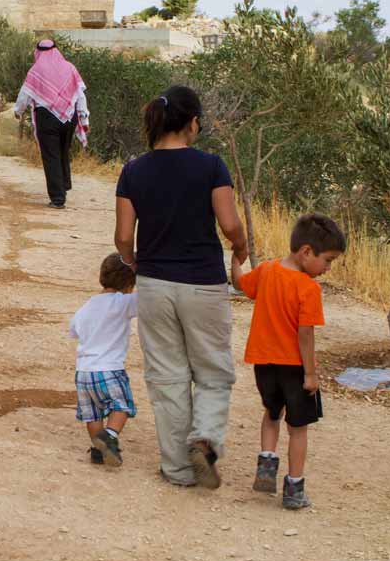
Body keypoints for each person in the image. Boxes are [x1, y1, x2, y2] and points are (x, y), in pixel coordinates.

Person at [114, 85, 248, 489]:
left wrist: (134, 262)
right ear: (193, 123)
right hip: (203, 283)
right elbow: (228, 225)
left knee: (167, 376)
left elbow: (123, 235)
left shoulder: (133, 170)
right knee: (212, 370)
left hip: (154, 284)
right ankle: (204, 437)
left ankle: (176, 469)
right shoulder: (211, 167)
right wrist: (239, 249)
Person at [230, 213, 345, 510]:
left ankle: (266, 466)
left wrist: (236, 259)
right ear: (307, 252)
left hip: (263, 363)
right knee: (299, 427)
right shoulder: (308, 288)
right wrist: (311, 374)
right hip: (294, 367)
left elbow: (241, 283)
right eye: (328, 260)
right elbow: (305, 334)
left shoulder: (267, 270)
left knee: (271, 413)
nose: (328, 268)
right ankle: (294, 488)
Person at [69, 253, 139, 466]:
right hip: (109, 369)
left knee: (92, 415)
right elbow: (148, 297)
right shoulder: (123, 302)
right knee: (122, 407)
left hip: (83, 372)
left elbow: (74, 331)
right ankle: (109, 436)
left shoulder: (86, 306)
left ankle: (97, 451)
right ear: (129, 283)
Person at [13, 40, 89, 209]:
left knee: (51, 156)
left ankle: (57, 198)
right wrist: (84, 118)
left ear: (37, 52)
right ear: (56, 50)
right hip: (69, 117)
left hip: (47, 118)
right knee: (63, 152)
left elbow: (24, 94)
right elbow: (80, 95)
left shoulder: (36, 70)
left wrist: (18, 111)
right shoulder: (70, 67)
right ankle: (63, 186)